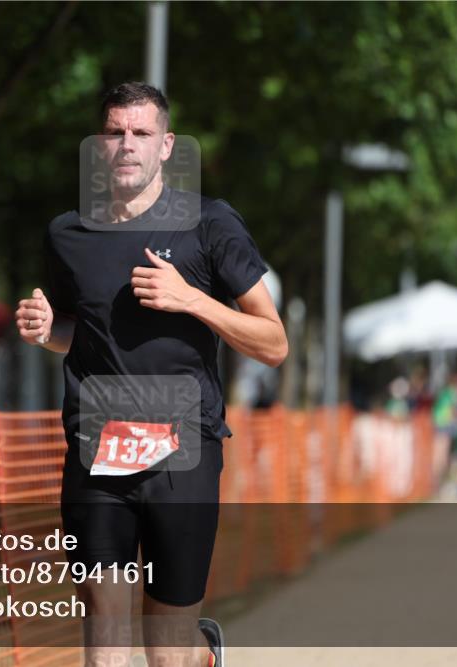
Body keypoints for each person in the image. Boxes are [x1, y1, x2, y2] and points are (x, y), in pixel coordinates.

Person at [16, 82, 288, 667]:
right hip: (97, 453)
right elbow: (76, 331)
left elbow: (274, 342)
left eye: (141, 134)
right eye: (115, 133)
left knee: (167, 655)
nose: (127, 146)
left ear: (166, 146)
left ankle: (202, 653)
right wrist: (46, 331)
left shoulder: (210, 225)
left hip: (182, 456)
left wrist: (192, 300)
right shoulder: (68, 234)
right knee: (105, 648)